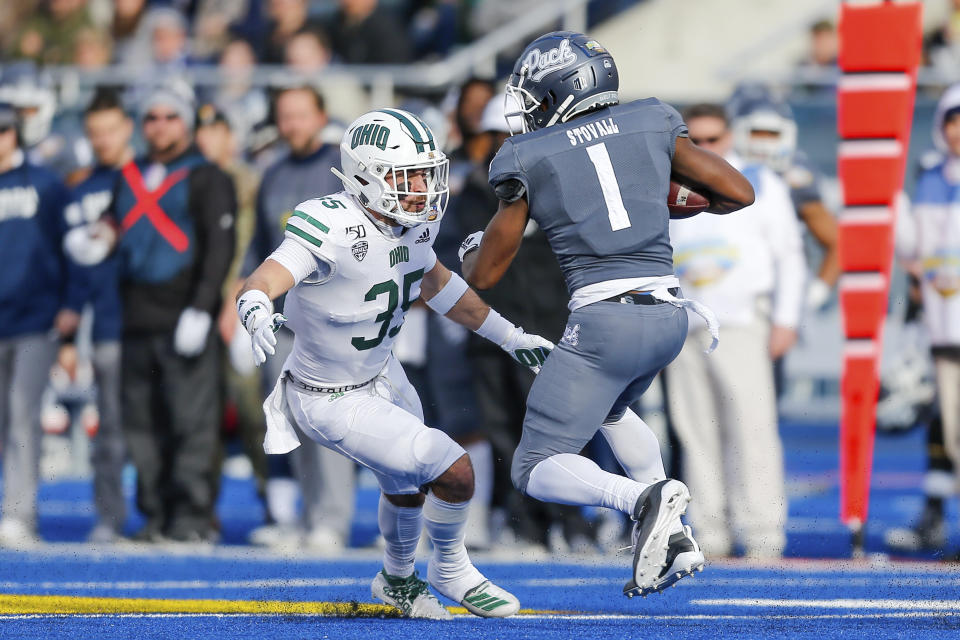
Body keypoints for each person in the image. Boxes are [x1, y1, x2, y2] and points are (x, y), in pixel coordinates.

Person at [460, 31, 754, 596]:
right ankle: (677, 536)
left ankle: (642, 499)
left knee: (534, 466)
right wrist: (662, 198)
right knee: (610, 410)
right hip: (669, 317)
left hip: (605, 320)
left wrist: (477, 246)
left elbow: (485, 275)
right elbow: (737, 192)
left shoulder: (527, 155)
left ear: (562, 90)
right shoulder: (650, 119)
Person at [237, 108, 548, 618]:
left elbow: (438, 284)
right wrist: (254, 304)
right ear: (366, 176)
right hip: (329, 398)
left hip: (382, 372)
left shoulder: (411, 223)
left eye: (428, 174)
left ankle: (398, 581)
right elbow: (269, 275)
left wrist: (510, 337)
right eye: (409, 177)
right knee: (453, 468)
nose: (424, 188)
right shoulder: (330, 222)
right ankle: (449, 565)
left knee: (405, 483)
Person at [69, 82, 237, 543]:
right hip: (134, 317)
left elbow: (220, 247)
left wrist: (202, 308)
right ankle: (156, 515)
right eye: (151, 117)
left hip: (184, 316)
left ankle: (192, 518)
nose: (159, 126)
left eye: (170, 116)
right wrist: (97, 238)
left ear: (186, 122)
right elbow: (114, 219)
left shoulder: (208, 176)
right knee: (142, 426)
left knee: (191, 423)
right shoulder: (129, 174)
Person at [665, 103, 806, 560]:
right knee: (696, 432)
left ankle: (764, 531)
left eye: (714, 139)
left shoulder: (761, 182)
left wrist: (786, 319)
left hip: (744, 320)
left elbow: (789, 254)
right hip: (687, 324)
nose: (706, 149)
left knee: (753, 429)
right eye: (696, 141)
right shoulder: (670, 187)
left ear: (730, 137)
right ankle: (710, 529)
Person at [244, 85, 355, 552]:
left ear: (321, 115)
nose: (292, 125)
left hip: (334, 319)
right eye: (284, 116)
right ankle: (310, 515)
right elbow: (261, 245)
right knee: (295, 419)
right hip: (285, 321)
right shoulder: (273, 173)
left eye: (300, 115)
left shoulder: (342, 170)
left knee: (331, 422)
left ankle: (333, 517)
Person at [0, 101, 85, 548]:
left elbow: (76, 249)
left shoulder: (48, 186)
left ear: (17, 134)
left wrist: (71, 307)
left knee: (21, 416)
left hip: (34, 320)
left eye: (4, 131)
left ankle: (19, 514)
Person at [892, 83, 960, 557]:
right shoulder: (932, 177)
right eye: (953, 119)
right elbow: (914, 253)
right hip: (944, 332)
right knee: (953, 437)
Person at [69, 89, 134, 543]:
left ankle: (171, 515)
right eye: (95, 132)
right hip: (107, 323)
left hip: (155, 319)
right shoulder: (81, 188)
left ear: (127, 127)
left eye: (110, 130)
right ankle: (108, 517)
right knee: (108, 426)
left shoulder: (150, 178)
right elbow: (74, 267)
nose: (103, 140)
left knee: (159, 422)